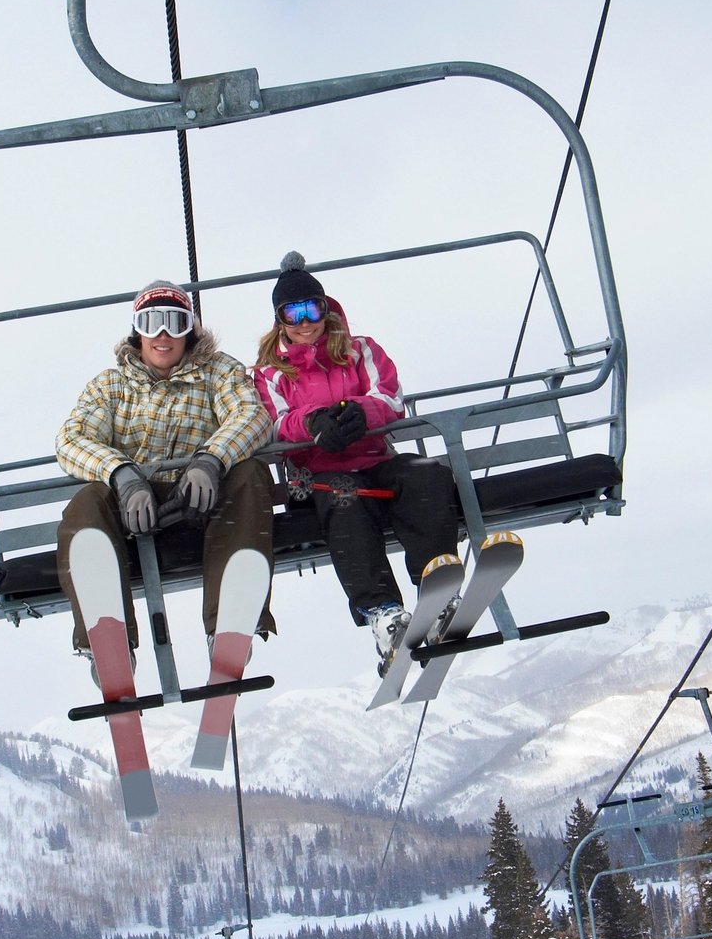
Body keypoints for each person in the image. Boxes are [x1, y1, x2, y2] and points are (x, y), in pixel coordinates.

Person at [252, 251, 460, 662]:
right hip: (319, 474)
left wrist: (361, 413)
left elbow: (390, 396)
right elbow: (274, 422)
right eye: (293, 314)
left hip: (375, 457)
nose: (305, 321)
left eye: (313, 308)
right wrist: (313, 424)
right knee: (345, 504)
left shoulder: (360, 350)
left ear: (326, 309)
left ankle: (434, 581)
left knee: (427, 475)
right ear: (280, 321)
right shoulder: (268, 372)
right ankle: (382, 611)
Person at [55, 281, 276, 662]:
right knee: (87, 503)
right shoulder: (111, 385)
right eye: (151, 322)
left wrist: (211, 461)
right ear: (136, 329)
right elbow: (71, 440)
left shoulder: (217, 371)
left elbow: (252, 416)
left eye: (174, 323)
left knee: (250, 475)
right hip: (133, 509)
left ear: (189, 329)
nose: (162, 335)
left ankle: (232, 623)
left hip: (203, 500)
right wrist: (122, 476)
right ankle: (107, 640)